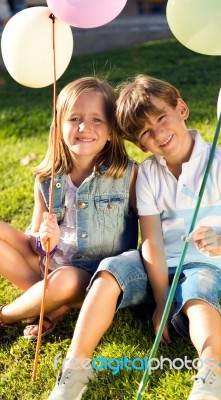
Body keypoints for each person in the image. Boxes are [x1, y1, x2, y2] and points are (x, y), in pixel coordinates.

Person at [115, 74, 221, 400]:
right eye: (146, 132)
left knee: (195, 289)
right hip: (158, 263)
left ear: (182, 109)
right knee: (111, 269)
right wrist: (162, 301)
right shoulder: (148, 173)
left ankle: (210, 374)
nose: (159, 133)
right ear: (140, 144)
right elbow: (150, 240)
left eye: (162, 117)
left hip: (205, 262)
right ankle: (74, 369)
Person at [0, 76, 148, 349]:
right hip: (48, 269)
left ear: (112, 130)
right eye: (74, 118)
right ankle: (50, 305)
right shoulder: (47, 178)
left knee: (66, 280)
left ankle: (7, 314)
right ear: (58, 127)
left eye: (96, 120)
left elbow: (149, 231)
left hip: (89, 282)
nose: (84, 127)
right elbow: (36, 241)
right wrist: (44, 240)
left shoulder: (127, 175)